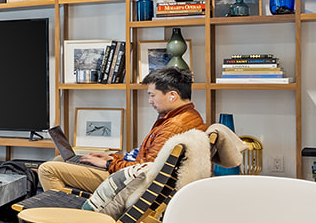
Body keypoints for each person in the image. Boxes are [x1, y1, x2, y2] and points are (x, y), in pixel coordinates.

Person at [37, 66, 205, 194]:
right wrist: (113, 157)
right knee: (61, 159)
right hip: (131, 174)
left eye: (152, 95)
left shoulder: (174, 125)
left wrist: (108, 164)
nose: (150, 101)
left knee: (47, 169)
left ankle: (63, 222)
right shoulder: (182, 117)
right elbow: (145, 158)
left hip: (130, 183)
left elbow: (146, 169)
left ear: (172, 96)